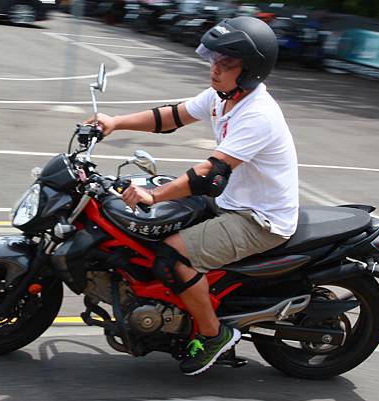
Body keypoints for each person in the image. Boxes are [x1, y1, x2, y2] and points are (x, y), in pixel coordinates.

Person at [84, 16, 299, 375]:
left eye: (226, 63)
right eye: (215, 59)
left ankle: (214, 335)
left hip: (259, 220)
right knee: (147, 233)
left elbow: (209, 171)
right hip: (230, 201)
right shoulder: (223, 97)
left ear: (250, 71)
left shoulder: (258, 114)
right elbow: (171, 116)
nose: (215, 68)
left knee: (171, 256)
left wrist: (156, 194)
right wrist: (115, 121)